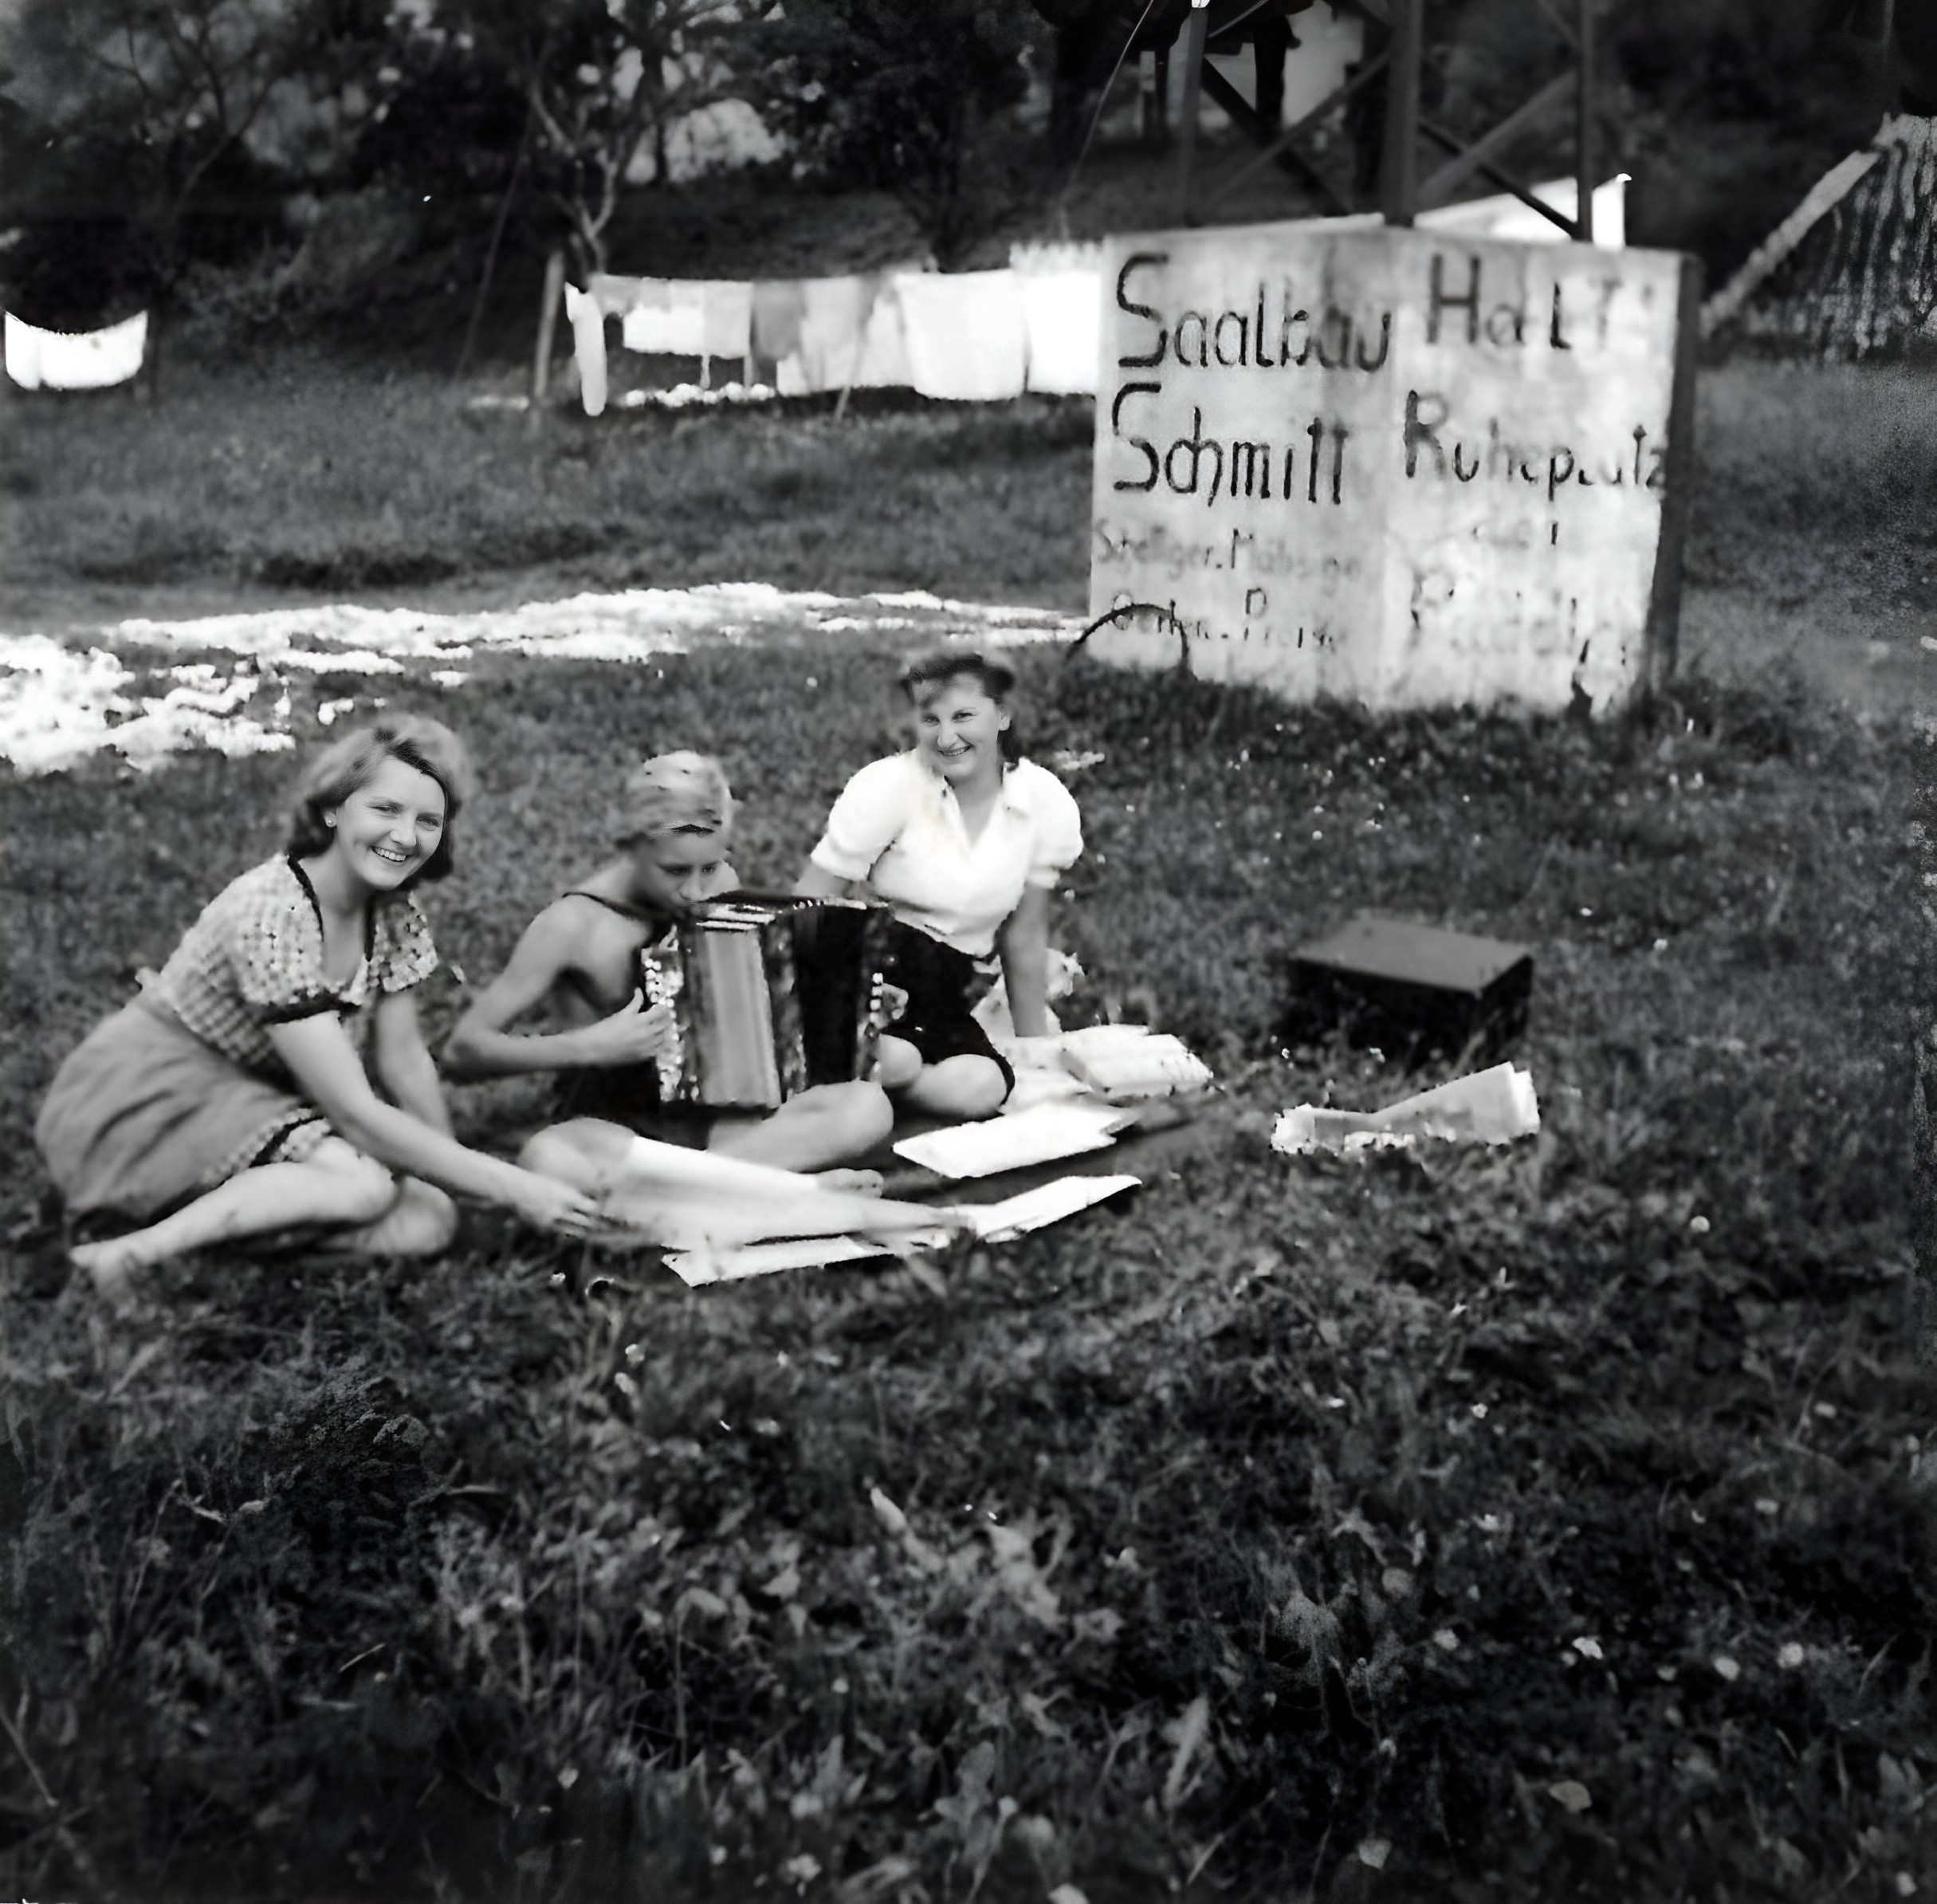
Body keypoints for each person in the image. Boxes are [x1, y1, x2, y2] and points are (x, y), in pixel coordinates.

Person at [35, 717, 606, 1307]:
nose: (405, 836)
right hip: (155, 1095)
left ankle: (217, 1258)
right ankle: (122, 1259)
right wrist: (511, 1187)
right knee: (360, 1180)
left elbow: (405, 1061)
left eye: (427, 820)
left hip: (263, 1100)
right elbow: (356, 1113)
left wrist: (455, 1186)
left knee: (427, 1219)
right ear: (333, 809)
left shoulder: (393, 914)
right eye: (385, 809)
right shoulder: (270, 912)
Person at [442, 750, 893, 1196]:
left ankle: (700, 1189)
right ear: (630, 844)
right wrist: (588, 1046)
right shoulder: (571, 925)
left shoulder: (721, 885)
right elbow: (463, 1053)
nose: (695, 889)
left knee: (867, 1107)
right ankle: (769, 1186)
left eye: (710, 867)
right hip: (614, 1126)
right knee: (548, 1161)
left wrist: (854, 999)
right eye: (674, 870)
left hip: (720, 1114)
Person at [796, 649, 1082, 1120]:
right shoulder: (890, 787)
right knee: (901, 1057)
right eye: (931, 719)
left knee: (986, 1085)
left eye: (963, 716)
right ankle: (853, 1075)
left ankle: (877, 1090)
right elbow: (808, 904)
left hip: (944, 991)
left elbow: (1024, 934)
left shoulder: (1042, 801)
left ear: (1003, 714)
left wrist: (1035, 1052)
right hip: (871, 976)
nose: (947, 737)